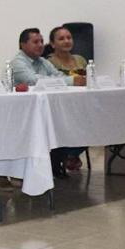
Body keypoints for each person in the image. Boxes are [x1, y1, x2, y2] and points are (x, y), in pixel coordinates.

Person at [46, 26, 89, 174]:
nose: (66, 41)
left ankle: (72, 154)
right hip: (61, 106)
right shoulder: (49, 63)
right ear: (53, 44)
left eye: (69, 38)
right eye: (61, 38)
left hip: (82, 104)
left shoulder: (80, 59)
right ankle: (66, 154)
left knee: (92, 121)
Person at [10, 28, 86, 87]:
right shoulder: (17, 63)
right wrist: (71, 81)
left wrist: (74, 80)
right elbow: (34, 81)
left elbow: (58, 75)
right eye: (36, 42)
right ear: (23, 45)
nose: (40, 45)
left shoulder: (43, 61)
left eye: (42, 42)